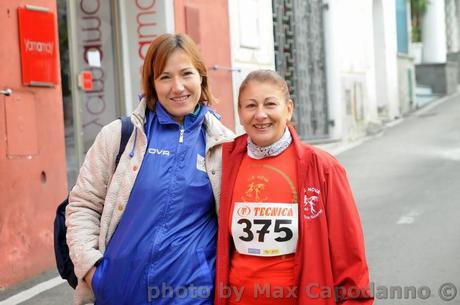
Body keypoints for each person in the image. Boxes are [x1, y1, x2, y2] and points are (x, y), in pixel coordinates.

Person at [66, 33, 234, 305]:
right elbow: (84, 205)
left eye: (186, 74)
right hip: (119, 293)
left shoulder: (224, 145)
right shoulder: (121, 135)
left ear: (201, 77)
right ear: (152, 84)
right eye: (165, 77)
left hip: (193, 296)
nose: (177, 87)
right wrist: (92, 272)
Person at [214, 70, 373, 305]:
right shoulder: (224, 163)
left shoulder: (323, 168)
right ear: (239, 112)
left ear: (288, 109)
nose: (260, 115)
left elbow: (349, 253)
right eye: (250, 106)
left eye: (270, 104)